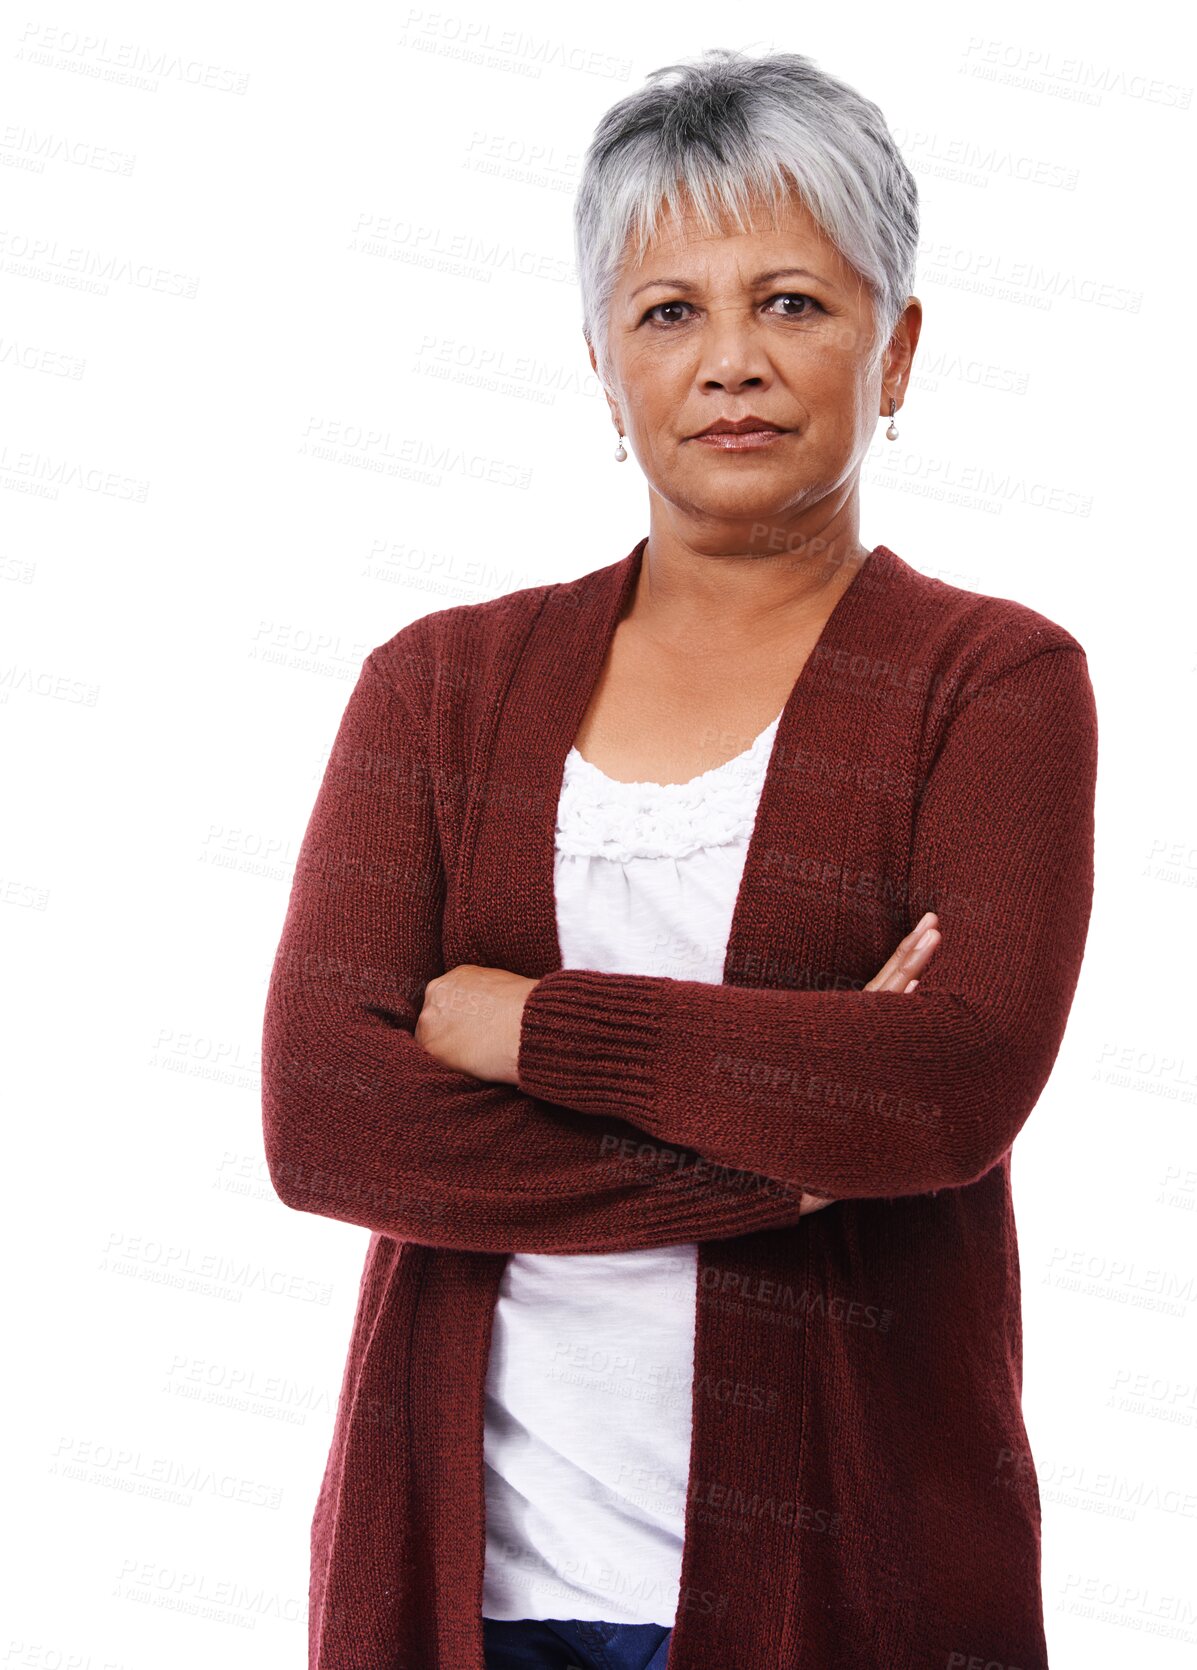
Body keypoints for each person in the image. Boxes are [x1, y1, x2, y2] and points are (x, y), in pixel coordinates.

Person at [261, 48, 1097, 1670]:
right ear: (598, 357)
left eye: (792, 301)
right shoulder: (436, 686)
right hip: (469, 1589)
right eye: (667, 312)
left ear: (896, 348)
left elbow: (943, 1088)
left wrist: (531, 1027)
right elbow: (326, 1112)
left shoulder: (991, 684)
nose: (731, 363)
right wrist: (780, 1156)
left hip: (853, 1585)